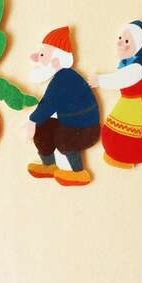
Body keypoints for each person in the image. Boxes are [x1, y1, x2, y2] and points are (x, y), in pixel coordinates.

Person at [27, 26, 100, 186]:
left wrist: (32, 120)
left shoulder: (65, 77)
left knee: (64, 136)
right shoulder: (59, 77)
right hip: (71, 123)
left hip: (86, 128)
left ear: (56, 59)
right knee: (43, 127)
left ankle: (79, 172)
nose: (36, 58)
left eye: (42, 55)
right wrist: (36, 122)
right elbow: (50, 105)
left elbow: (49, 103)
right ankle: (49, 165)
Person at [88, 20, 142, 168]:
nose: (120, 43)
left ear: (138, 47)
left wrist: (100, 80)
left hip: (141, 108)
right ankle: (119, 154)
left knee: (120, 133)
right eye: (120, 38)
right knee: (112, 130)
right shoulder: (129, 66)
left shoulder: (136, 68)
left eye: (127, 41)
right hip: (132, 104)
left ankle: (126, 156)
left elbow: (119, 79)